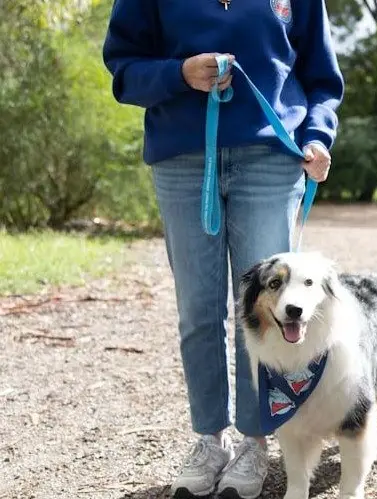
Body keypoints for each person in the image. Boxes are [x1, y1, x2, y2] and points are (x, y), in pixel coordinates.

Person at [102, 0, 343, 497]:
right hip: (182, 162)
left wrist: (318, 136)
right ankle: (209, 441)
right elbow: (124, 71)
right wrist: (179, 74)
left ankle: (255, 441)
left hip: (272, 161)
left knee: (268, 311)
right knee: (198, 311)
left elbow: (321, 78)